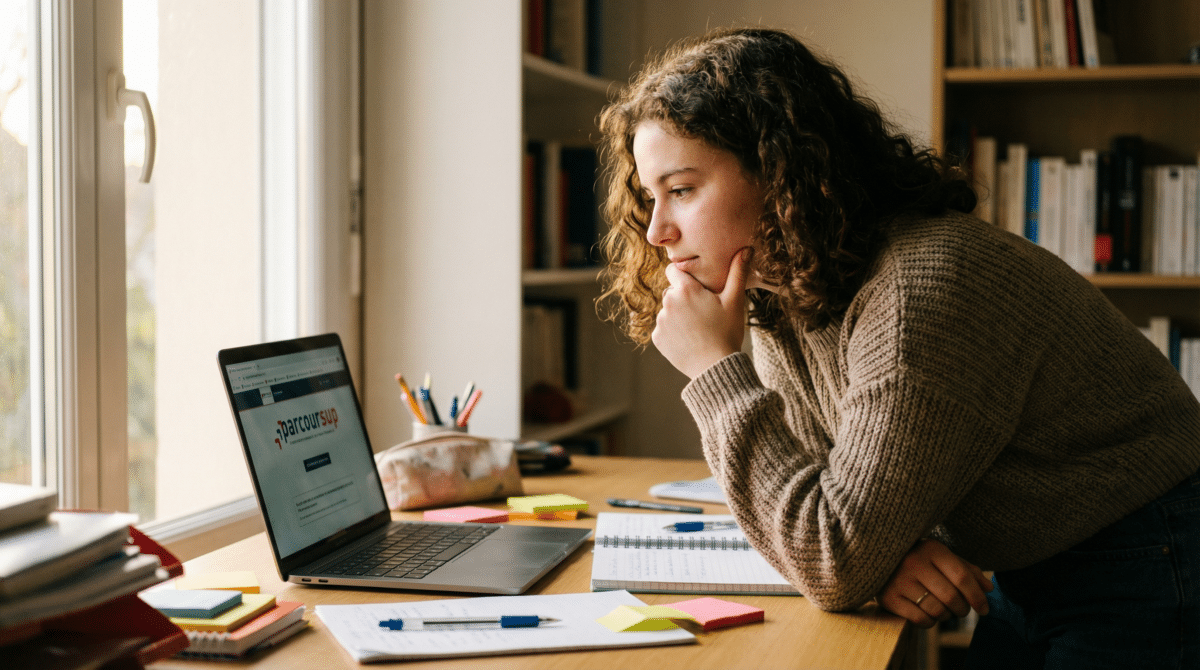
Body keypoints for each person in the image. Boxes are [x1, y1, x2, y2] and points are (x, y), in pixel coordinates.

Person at [596, 26, 1200, 668]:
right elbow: (815, 502)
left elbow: (830, 554)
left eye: (682, 189)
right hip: (1038, 570)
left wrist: (717, 372)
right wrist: (886, 556)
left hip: (1150, 560)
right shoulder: (786, 290)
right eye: (650, 196)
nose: (658, 230)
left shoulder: (919, 289)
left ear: (778, 171)